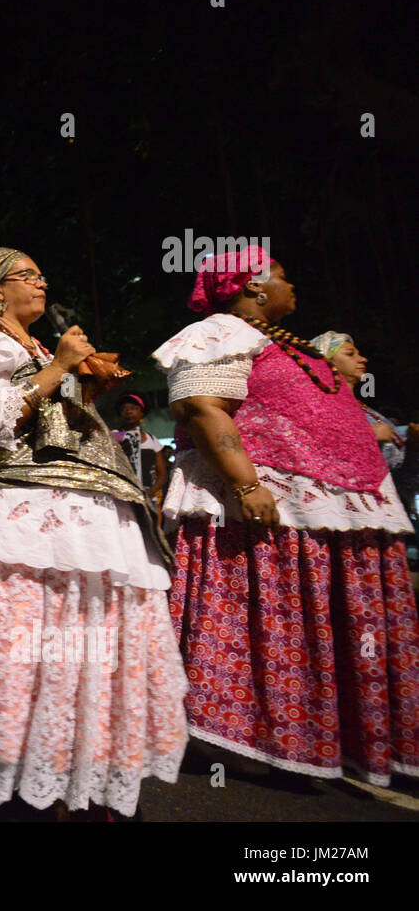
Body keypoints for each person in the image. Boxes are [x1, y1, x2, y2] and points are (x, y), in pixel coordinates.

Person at [0, 247, 187, 818]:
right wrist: (58, 369)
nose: (41, 282)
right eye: (27, 275)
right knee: (17, 641)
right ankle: (8, 765)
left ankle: (67, 761)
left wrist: (76, 375)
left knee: (73, 640)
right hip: (14, 516)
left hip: (75, 512)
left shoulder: (37, 347)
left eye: (41, 273)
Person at [154, 248, 417, 786]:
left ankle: (336, 738)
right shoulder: (219, 332)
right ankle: (248, 737)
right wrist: (246, 483)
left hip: (340, 508)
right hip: (270, 507)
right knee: (270, 612)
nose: (292, 286)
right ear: (252, 286)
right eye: (282, 276)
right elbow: (203, 407)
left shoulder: (283, 344)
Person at [310, 331, 418, 525]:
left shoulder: (367, 410)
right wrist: (369, 434)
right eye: (350, 354)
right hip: (346, 509)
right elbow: (316, 448)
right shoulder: (320, 404)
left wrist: (413, 445)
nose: (363, 359)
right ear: (327, 362)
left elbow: (396, 469)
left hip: (382, 502)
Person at [111, 391, 167, 506]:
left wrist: (151, 492)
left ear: (142, 413)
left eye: (134, 408)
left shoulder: (152, 440)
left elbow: (162, 473)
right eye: (124, 409)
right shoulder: (113, 436)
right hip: (122, 496)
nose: (129, 411)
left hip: (148, 497)